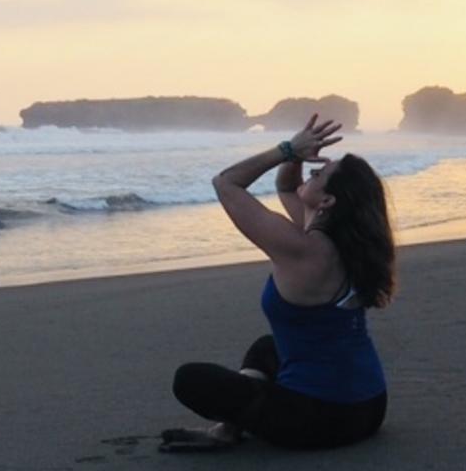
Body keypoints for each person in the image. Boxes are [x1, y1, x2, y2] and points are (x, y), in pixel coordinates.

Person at [163, 116, 395, 452]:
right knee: (267, 347)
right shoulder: (346, 240)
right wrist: (299, 156)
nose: (312, 174)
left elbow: (226, 183)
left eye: (319, 175)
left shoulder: (306, 251)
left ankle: (229, 430)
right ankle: (228, 430)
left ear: (327, 201)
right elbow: (287, 188)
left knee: (191, 380)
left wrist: (286, 149)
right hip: (370, 406)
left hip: (322, 419)